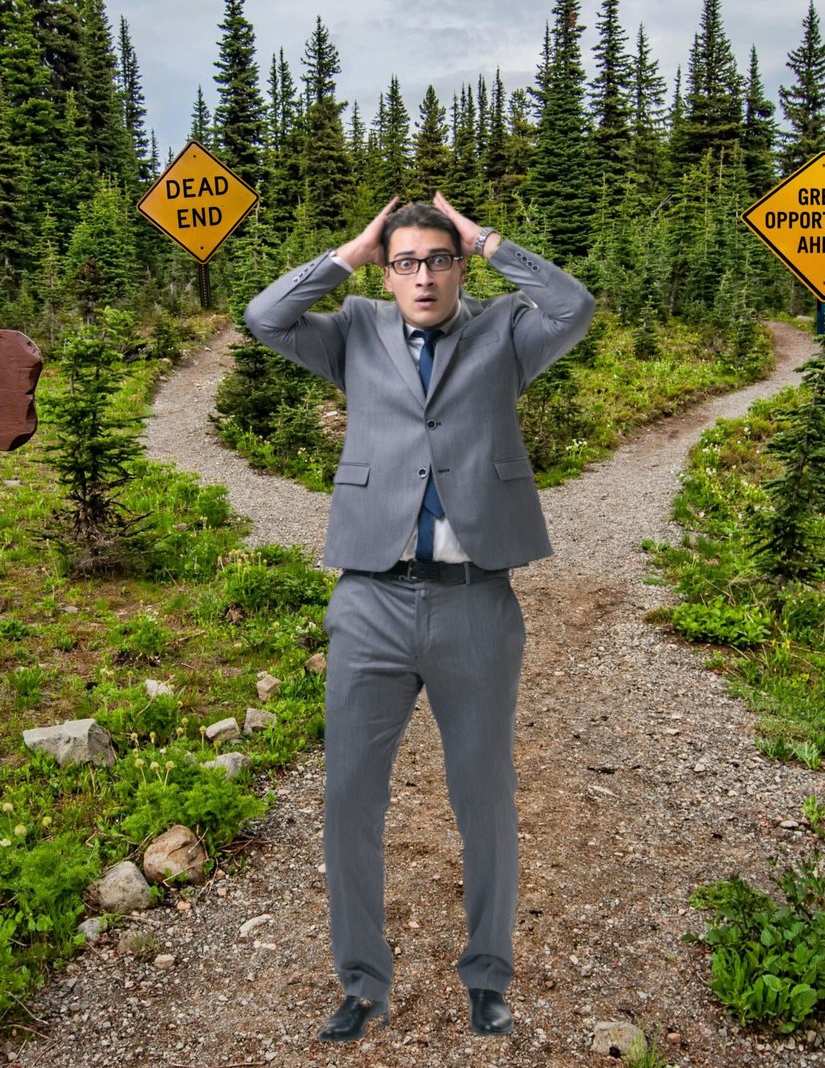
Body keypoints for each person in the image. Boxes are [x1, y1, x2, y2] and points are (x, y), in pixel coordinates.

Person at [243, 193, 595, 1043]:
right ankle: (363, 984)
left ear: (459, 265)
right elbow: (263, 315)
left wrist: (488, 237)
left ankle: (488, 977)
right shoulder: (354, 329)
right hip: (369, 597)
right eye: (407, 262)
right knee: (349, 799)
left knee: (485, 798)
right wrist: (352, 254)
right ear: (388, 268)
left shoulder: (507, 329)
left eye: (439, 259)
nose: (424, 276)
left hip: (476, 597)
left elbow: (574, 306)